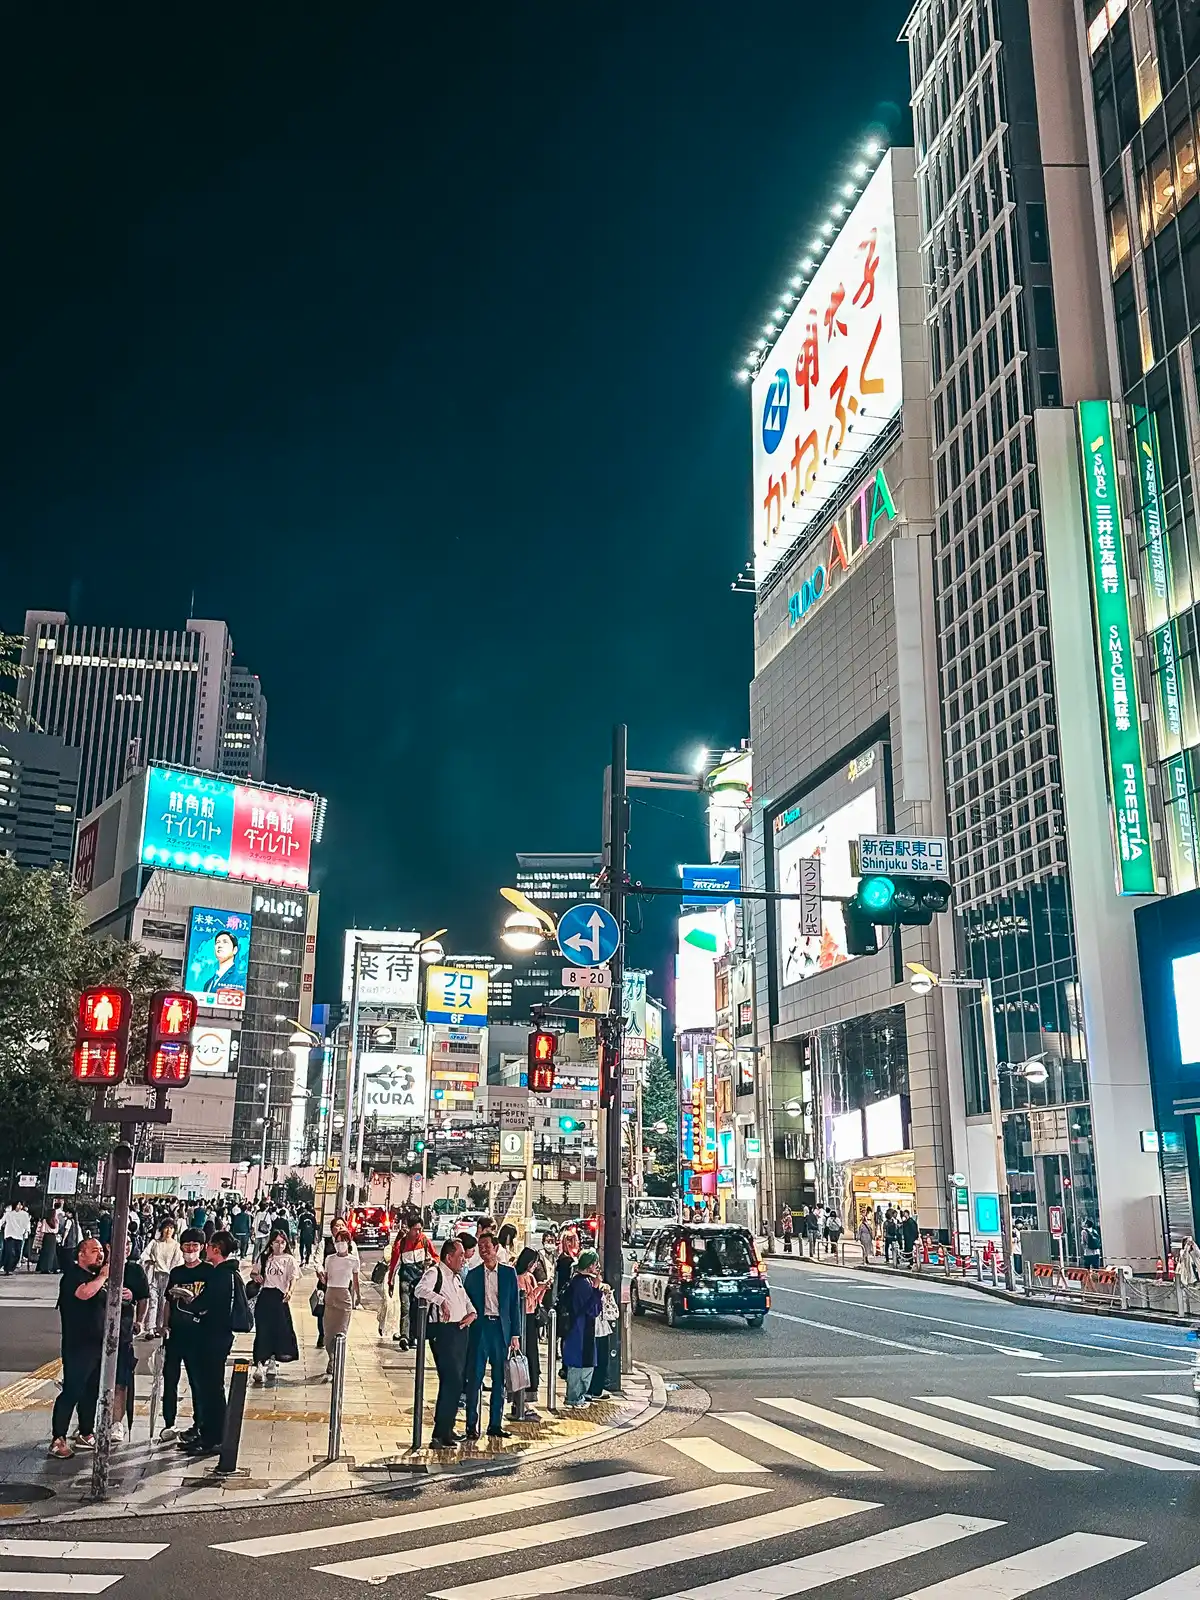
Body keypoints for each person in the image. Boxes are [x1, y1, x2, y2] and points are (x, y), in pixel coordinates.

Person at [178, 1230, 241, 1458]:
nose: (204, 1250)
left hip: (213, 1337)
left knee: (210, 1388)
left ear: (216, 1248)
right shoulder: (231, 1274)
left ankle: (212, 1437)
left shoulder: (220, 1275)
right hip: (220, 1336)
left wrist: (189, 1301)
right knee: (211, 1387)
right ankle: (210, 1434)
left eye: (208, 1246)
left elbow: (205, 1305)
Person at [49, 1238, 109, 1458]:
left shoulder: (96, 1278)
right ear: (81, 1255)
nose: (100, 1255)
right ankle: (58, 1438)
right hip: (78, 1345)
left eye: (101, 1251)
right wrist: (103, 1276)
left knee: (91, 1391)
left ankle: (85, 1432)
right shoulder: (73, 1277)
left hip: (98, 1345)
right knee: (72, 1390)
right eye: (94, 1251)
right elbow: (84, 1293)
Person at [416, 1238, 477, 1448]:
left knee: (457, 1381)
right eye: (460, 1255)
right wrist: (441, 1301)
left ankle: (446, 1428)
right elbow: (420, 1290)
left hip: (460, 1330)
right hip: (444, 1332)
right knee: (451, 1379)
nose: (463, 1259)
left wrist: (472, 1313)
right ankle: (440, 1432)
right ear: (449, 1257)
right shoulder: (436, 1273)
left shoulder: (457, 1277)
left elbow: (465, 1299)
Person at [462, 1231, 522, 1440]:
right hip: (480, 1329)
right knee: (475, 1377)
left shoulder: (508, 1273)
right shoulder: (473, 1275)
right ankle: (471, 1424)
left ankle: (495, 1423)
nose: (483, 1250)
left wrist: (515, 1334)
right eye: (480, 1246)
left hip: (500, 1330)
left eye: (487, 1246)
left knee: (499, 1379)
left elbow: (514, 1305)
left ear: (496, 1248)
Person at [159, 1228, 210, 1444]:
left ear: (202, 1248)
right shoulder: (177, 1273)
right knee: (170, 1379)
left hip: (197, 1335)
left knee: (197, 1380)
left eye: (194, 1246)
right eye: (186, 1245)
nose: (190, 1250)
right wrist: (164, 1325)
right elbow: (167, 1301)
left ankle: (199, 1423)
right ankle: (169, 1423)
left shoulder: (208, 1272)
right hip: (175, 1333)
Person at [112, 1238, 150, 1440]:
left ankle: (117, 1423)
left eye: (128, 1243)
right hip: (95, 1333)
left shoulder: (135, 1271)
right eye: (121, 1242)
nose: (124, 1247)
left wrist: (140, 1321)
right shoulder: (98, 1268)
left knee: (121, 1378)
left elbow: (144, 1297)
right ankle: (87, 1424)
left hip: (124, 1331)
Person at [250, 1230, 299, 1383]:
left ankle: (272, 1360)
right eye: (276, 1242)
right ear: (271, 1243)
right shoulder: (265, 1257)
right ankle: (259, 1363)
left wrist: (290, 1291)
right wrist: (256, 1276)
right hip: (265, 1296)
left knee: (279, 1330)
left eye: (282, 1242)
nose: (279, 1245)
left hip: (280, 1298)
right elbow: (254, 1272)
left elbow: (293, 1277)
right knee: (263, 1331)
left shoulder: (289, 1259)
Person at [561, 1249, 603, 1409]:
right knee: (580, 1365)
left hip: (576, 1328)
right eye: (595, 1264)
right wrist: (597, 1289)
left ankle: (577, 1396)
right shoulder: (584, 1284)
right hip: (580, 1329)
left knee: (580, 1363)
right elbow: (592, 1309)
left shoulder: (576, 1280)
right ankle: (574, 1397)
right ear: (590, 1265)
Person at [318, 1224, 361, 1377]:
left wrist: (358, 1297)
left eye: (343, 1241)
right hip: (330, 1294)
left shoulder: (353, 1260)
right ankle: (331, 1357)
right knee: (328, 1331)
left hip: (344, 1296)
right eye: (337, 1241)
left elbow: (355, 1280)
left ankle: (337, 1359)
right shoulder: (329, 1259)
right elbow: (326, 1278)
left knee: (341, 1331)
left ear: (349, 1243)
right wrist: (321, 1276)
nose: (340, 1244)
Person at [388, 1212, 435, 1349]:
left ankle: (414, 1337)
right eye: (415, 1229)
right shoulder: (401, 1244)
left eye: (420, 1229)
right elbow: (394, 1264)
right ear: (408, 1228)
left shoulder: (425, 1241)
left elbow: (436, 1257)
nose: (418, 1232)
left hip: (420, 1281)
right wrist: (390, 1282)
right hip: (405, 1280)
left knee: (417, 1309)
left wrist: (431, 1261)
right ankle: (405, 1336)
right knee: (406, 1307)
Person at [512, 1244, 548, 1420]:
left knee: (532, 1360)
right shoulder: (518, 1278)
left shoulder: (530, 1277)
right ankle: (520, 1403)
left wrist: (541, 1290)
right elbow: (525, 1301)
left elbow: (535, 1301)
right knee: (523, 1361)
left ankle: (525, 1403)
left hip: (531, 1321)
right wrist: (539, 1290)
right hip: (523, 1321)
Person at [141, 1220, 183, 1336]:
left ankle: (160, 1328)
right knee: (153, 1300)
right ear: (162, 1229)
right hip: (155, 1274)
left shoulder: (176, 1246)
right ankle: (150, 1328)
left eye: (171, 1228)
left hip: (168, 1276)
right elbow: (144, 1256)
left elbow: (178, 1262)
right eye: (166, 1228)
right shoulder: (155, 1243)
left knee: (164, 1302)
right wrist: (149, 1261)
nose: (169, 1230)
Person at [588, 1272, 619, 1401]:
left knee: (602, 1360)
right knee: (594, 1360)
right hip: (591, 1328)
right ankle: (591, 1389)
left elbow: (612, 1312)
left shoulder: (603, 1287)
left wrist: (607, 1294)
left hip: (601, 1327)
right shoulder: (584, 1284)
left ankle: (597, 1389)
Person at [1, 1201, 31, 1273]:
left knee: (17, 1253)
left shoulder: (25, 1214)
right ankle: (8, 1268)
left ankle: (12, 1267)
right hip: (9, 1235)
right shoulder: (9, 1214)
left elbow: (27, 1224)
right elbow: (2, 1221)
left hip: (19, 1235)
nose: (19, 1206)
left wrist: (27, 1230)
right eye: (17, 1204)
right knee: (10, 1252)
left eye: (20, 1205)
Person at [57, 1207, 82, 1274]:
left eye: (67, 1212)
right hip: (73, 1241)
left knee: (66, 1255)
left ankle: (67, 1268)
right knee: (70, 1255)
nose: (66, 1213)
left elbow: (66, 1231)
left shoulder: (68, 1221)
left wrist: (63, 1240)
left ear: (70, 1214)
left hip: (68, 1240)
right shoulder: (75, 1221)